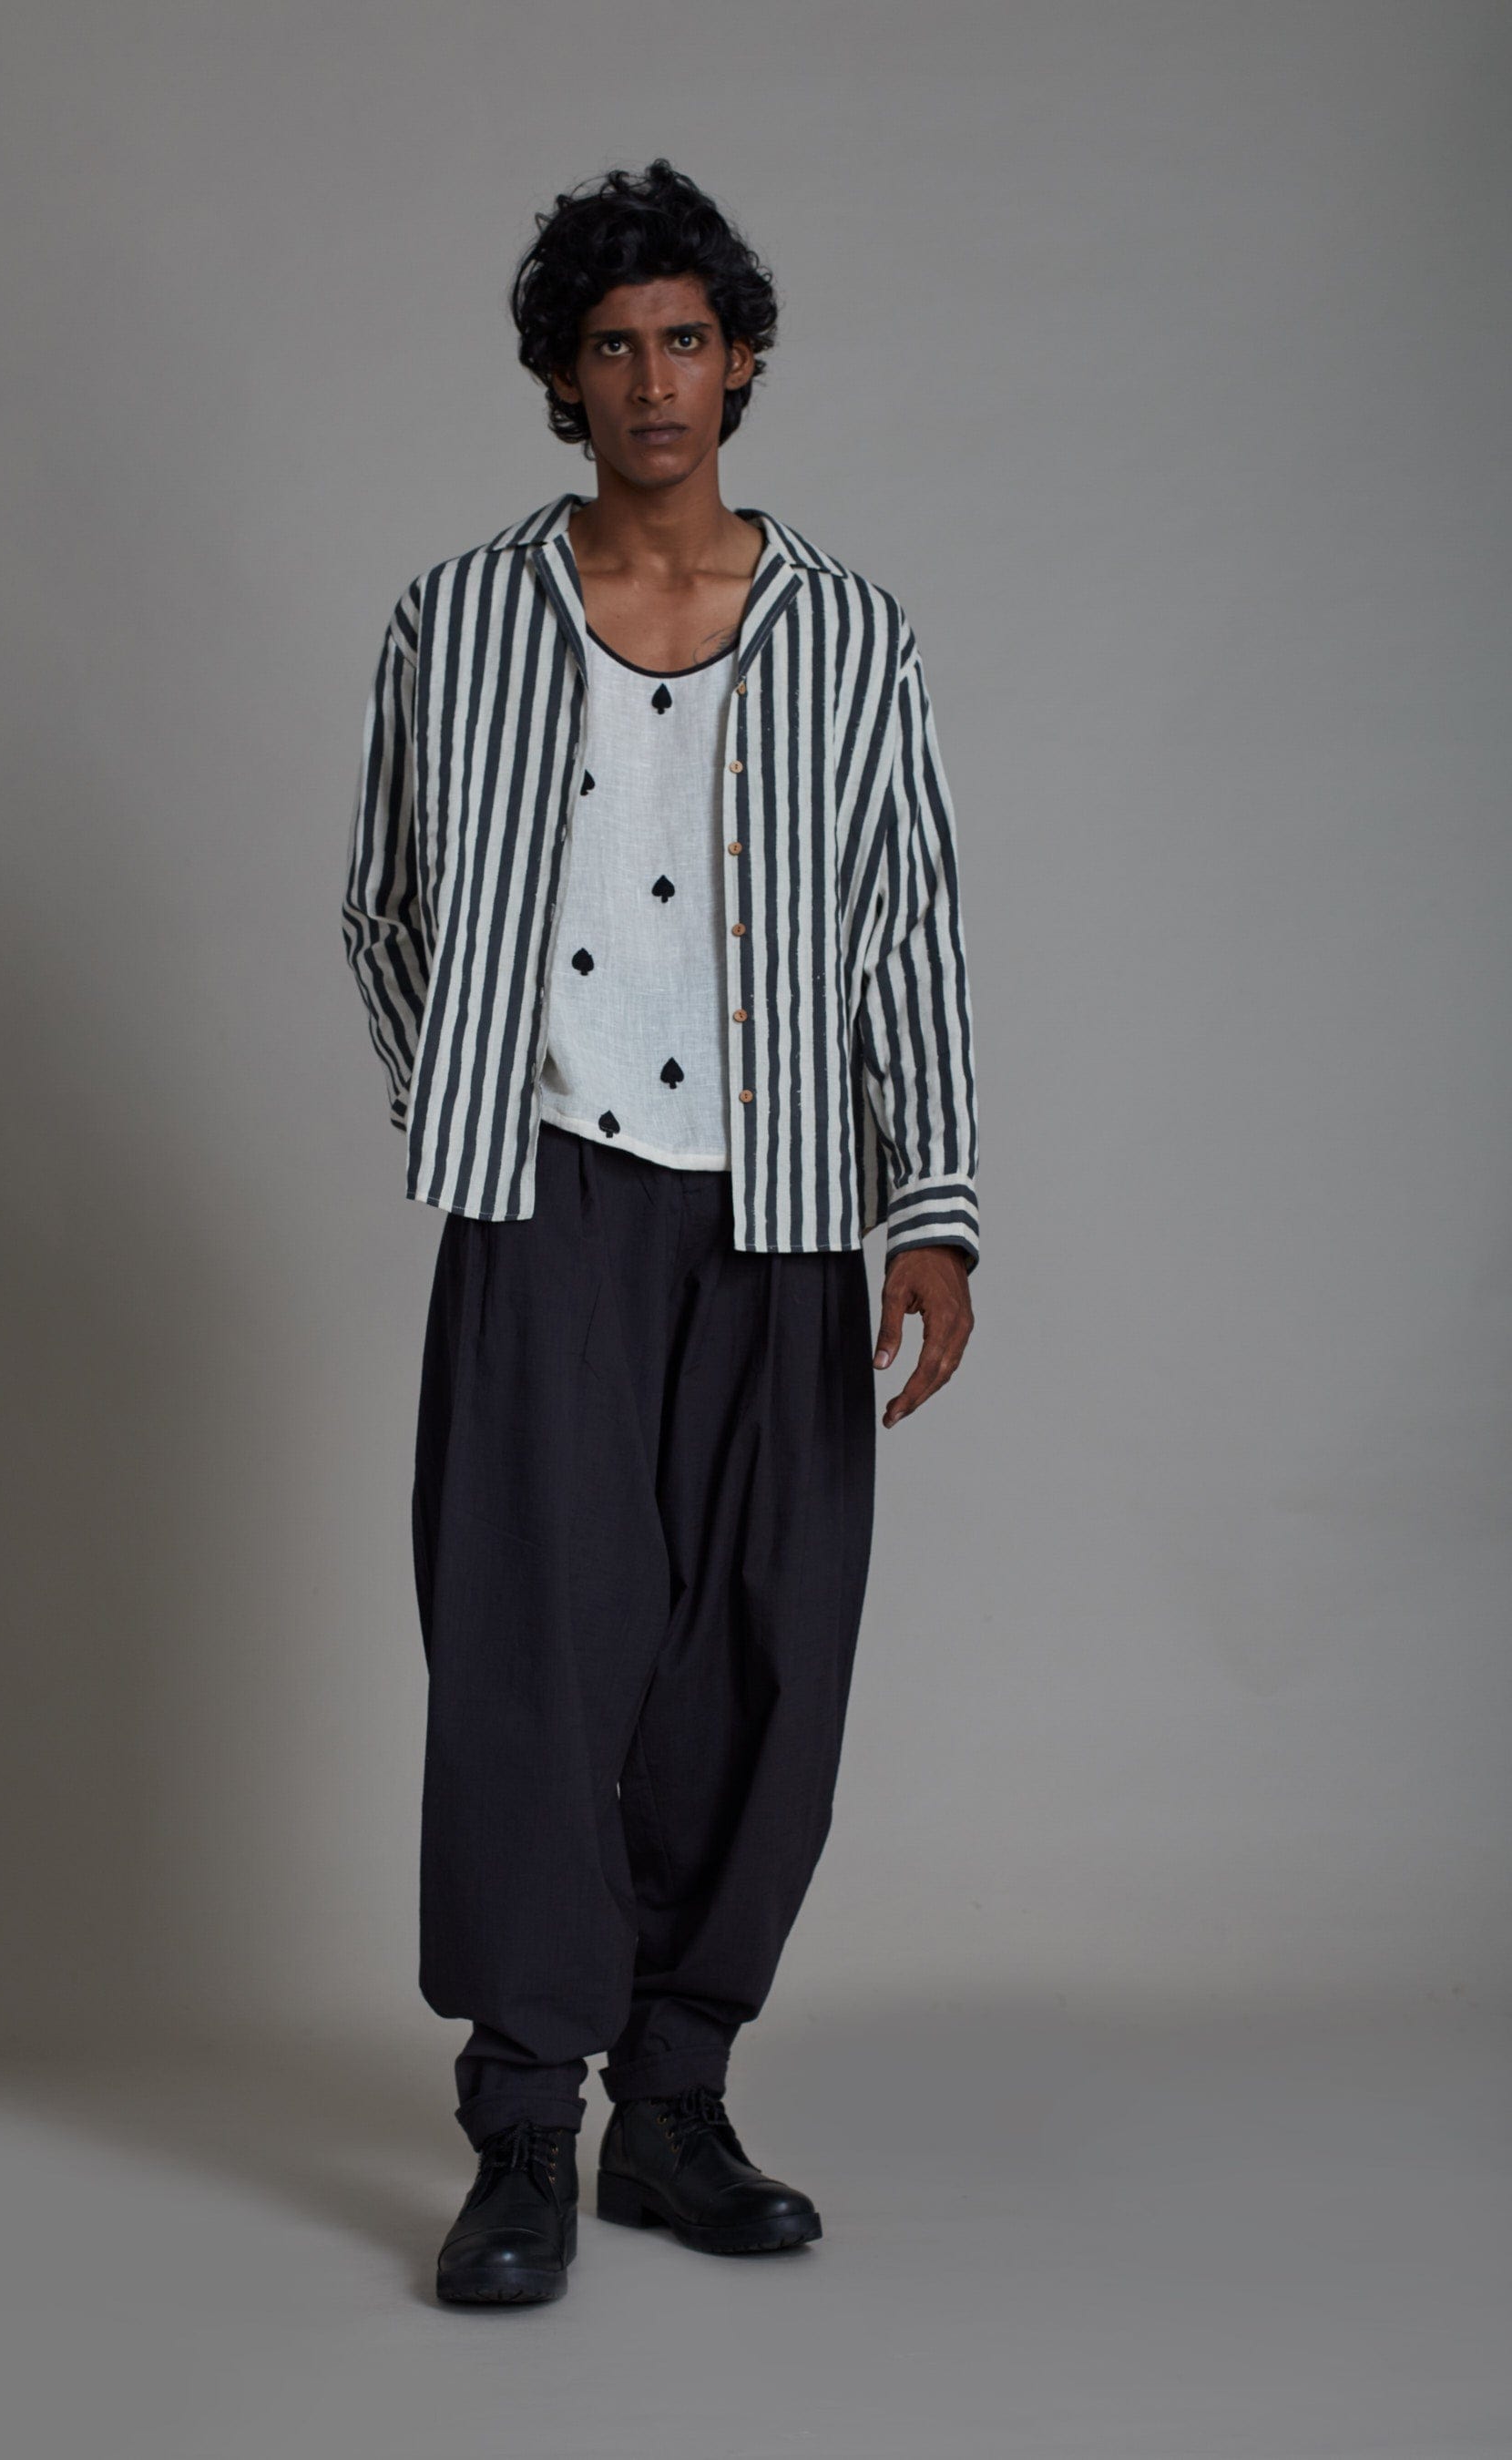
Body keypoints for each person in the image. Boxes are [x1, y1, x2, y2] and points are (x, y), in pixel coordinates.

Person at [342, 159, 981, 2305]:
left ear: (743, 361)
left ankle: (677, 2104)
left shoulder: (853, 636)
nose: (651, 380)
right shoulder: (457, 619)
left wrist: (931, 1208)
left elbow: (909, 932)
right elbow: (384, 904)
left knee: (762, 1658)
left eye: (685, 339)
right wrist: (471, 1095)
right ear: (563, 377)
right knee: (526, 1653)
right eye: (610, 346)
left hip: (783, 1212)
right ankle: (527, 2123)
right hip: (548, 1198)